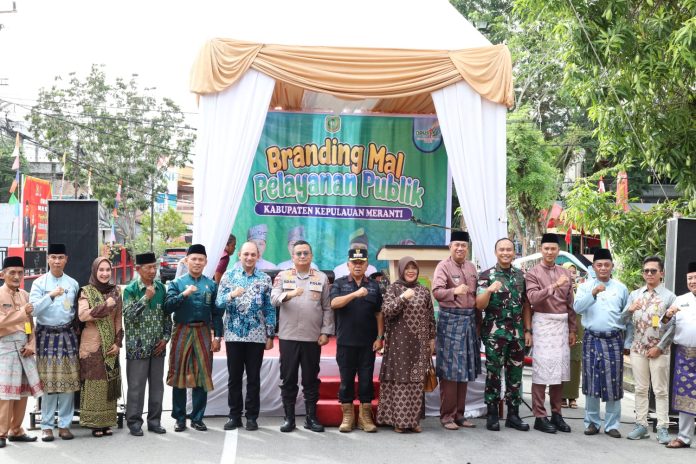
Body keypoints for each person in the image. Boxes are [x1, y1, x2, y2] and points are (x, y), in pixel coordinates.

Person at [271, 240, 333, 433]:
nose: (302, 256)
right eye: (298, 253)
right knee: (288, 379)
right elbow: (274, 299)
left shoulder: (321, 278)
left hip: (312, 337)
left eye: (306, 253)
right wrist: (289, 295)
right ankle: (289, 419)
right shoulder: (283, 276)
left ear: (311, 256)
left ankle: (311, 418)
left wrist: (325, 332)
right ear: (293, 257)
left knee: (310, 379)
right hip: (288, 336)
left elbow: (327, 307)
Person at [216, 242, 276, 432]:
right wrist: (231, 295)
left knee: (253, 378)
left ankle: (251, 417)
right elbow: (218, 303)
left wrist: (270, 334)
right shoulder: (229, 276)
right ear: (239, 255)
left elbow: (269, 308)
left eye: (253, 254)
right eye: (246, 254)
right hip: (234, 335)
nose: (249, 258)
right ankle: (234, 416)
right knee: (234, 378)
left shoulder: (264, 279)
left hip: (256, 336)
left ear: (258, 256)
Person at [165, 244, 223, 433]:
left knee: (202, 374)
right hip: (181, 330)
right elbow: (168, 307)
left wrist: (218, 336)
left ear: (205, 262)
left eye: (200, 259)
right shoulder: (176, 283)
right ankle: (180, 418)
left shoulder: (211, 285)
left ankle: (198, 418)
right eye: (194, 259)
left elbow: (216, 313)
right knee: (179, 373)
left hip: (204, 331)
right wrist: (184, 294)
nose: (197, 262)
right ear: (186, 261)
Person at [475, 238, 531, 432]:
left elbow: (526, 305)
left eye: (509, 249)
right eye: (502, 249)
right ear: (495, 252)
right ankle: (492, 413)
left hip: (517, 334)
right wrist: (489, 291)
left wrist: (528, 330)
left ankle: (513, 415)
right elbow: (479, 305)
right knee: (493, 373)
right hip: (494, 334)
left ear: (514, 253)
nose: (506, 253)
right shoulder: (486, 275)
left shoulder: (521, 276)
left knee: (515, 374)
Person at [573, 249, 629, 438]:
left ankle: (612, 425)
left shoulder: (621, 288)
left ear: (612, 266)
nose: (603, 268)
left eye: (606, 264)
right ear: (593, 267)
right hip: (592, 338)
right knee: (591, 380)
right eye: (599, 265)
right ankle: (592, 422)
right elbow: (577, 308)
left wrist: (628, 342)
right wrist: (593, 293)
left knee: (614, 382)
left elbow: (627, 316)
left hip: (614, 339)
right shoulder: (585, 287)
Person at [525, 233, 576, 434]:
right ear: (541, 250)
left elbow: (570, 304)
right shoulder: (533, 273)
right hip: (543, 324)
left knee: (559, 373)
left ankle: (557, 414)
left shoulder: (566, 273)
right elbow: (533, 299)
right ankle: (539, 416)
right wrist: (554, 285)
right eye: (546, 248)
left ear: (558, 251)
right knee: (541, 373)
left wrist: (572, 329)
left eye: (553, 248)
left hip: (562, 326)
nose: (549, 252)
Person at [377, 256, 435, 433]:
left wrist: (431, 339)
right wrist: (402, 298)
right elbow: (387, 311)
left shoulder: (424, 291)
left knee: (417, 380)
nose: (411, 271)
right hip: (399, 344)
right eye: (407, 268)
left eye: (414, 268)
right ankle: (400, 421)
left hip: (420, 343)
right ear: (401, 270)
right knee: (400, 380)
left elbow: (430, 317)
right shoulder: (393, 288)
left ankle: (414, 421)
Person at [29, 243, 80, 442]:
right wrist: (50, 295)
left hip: (67, 335)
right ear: (48, 259)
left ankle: (65, 425)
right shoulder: (39, 283)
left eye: (60, 257)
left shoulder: (73, 284)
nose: (57, 261)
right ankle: (47, 426)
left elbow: (74, 311)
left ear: (66, 259)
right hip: (46, 335)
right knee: (48, 383)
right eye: (53, 257)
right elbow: (33, 310)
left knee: (68, 382)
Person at [623, 255, 676, 443]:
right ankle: (641, 425)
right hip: (638, 348)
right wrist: (629, 310)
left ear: (661, 273)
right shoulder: (635, 295)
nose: (649, 274)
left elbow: (673, 326)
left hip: (659, 350)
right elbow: (623, 321)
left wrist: (660, 348)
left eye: (653, 271)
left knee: (660, 390)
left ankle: (662, 427)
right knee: (640, 388)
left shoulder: (669, 297)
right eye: (646, 271)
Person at [330, 248, 384, 433]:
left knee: (366, 381)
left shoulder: (374, 286)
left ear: (367, 265)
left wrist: (380, 337)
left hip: (368, 343)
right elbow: (334, 303)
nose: (358, 266)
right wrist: (354, 294)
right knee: (346, 380)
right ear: (348, 265)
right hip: (346, 342)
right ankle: (347, 416)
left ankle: (364, 416)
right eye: (355, 263)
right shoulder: (339, 283)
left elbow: (379, 313)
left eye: (361, 263)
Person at [432, 230, 481, 430]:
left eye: (463, 245)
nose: (460, 248)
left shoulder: (471, 267)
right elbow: (436, 292)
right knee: (450, 371)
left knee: (465, 369)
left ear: (467, 248)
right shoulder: (443, 266)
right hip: (450, 321)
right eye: (457, 245)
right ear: (450, 247)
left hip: (469, 321)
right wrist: (454, 291)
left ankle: (460, 414)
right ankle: (447, 416)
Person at [122, 252, 171, 436]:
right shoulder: (131, 290)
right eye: (148, 267)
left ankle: (154, 421)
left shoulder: (161, 288)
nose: (152, 271)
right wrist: (146, 298)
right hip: (137, 346)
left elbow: (167, 316)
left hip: (158, 345)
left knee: (157, 386)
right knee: (136, 386)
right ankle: (134, 422)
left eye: (154, 267)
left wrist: (166, 338)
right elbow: (128, 315)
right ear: (138, 269)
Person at [77, 257, 123, 437]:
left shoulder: (116, 291)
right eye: (101, 270)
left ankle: (107, 421)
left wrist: (118, 343)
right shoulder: (86, 291)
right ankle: (95, 423)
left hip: (110, 344)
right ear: (95, 271)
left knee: (108, 384)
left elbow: (118, 319)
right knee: (94, 383)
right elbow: (83, 315)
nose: (104, 273)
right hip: (92, 346)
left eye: (107, 270)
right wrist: (105, 306)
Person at [0, 256, 42, 448]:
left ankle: (16, 430)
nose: (17, 276)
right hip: (6, 347)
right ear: (3, 274)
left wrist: (32, 343)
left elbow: (30, 324)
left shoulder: (25, 295)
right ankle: (1, 433)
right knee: (5, 393)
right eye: (12, 273)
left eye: (20, 273)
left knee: (23, 391)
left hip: (24, 348)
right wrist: (22, 312)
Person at [661, 261, 696, 449]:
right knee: (685, 398)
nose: (693, 281)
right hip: (685, 356)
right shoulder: (680, 300)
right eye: (690, 278)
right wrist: (668, 314)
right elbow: (663, 324)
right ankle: (684, 437)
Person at [561, 262, 583, 410]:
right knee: (562, 360)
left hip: (578, 327)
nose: (571, 275)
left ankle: (573, 396)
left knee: (575, 361)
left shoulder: (581, 289)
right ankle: (561, 395)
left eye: (573, 272)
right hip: (562, 325)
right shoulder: (558, 287)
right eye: (567, 271)